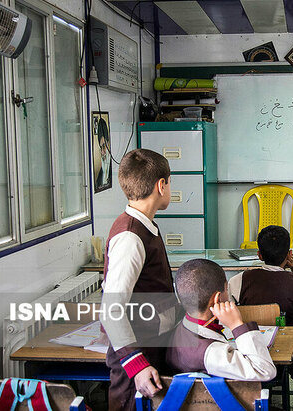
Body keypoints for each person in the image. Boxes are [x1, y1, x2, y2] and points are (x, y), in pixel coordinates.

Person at [101, 149, 180, 411]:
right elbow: (111, 311)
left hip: (152, 345)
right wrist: (136, 365)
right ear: (161, 185)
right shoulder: (130, 237)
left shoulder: (143, 226)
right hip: (137, 357)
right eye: (170, 181)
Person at [166, 259, 277, 381]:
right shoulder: (211, 353)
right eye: (226, 289)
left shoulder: (181, 328)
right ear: (217, 299)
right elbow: (265, 371)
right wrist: (236, 325)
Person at [228, 225, 293, 326]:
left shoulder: (239, 279)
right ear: (289, 254)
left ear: (259, 255)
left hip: (252, 335)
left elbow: (229, 306)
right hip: (288, 339)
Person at [95, 117, 112, 190]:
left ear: (108, 143)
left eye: (104, 146)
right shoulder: (98, 179)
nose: (103, 152)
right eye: (101, 147)